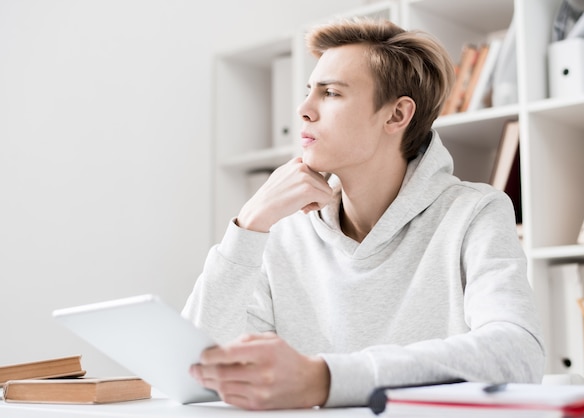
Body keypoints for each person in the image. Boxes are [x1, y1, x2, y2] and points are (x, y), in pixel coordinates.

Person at [182, 17, 545, 411]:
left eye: (331, 93)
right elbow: (197, 369)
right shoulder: (283, 231)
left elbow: (517, 352)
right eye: (309, 92)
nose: (304, 110)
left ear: (396, 116)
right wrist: (248, 224)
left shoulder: (473, 213)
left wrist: (327, 380)